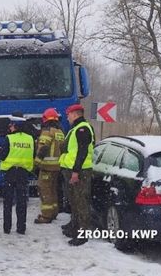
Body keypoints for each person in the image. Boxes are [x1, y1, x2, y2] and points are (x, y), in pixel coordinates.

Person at [59, 103, 95, 246]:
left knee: (81, 202)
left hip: (80, 171)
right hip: (74, 169)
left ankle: (83, 233)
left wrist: (75, 172)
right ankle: (75, 226)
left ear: (74, 114)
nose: (67, 118)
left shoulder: (82, 129)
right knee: (74, 200)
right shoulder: (76, 129)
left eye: (68, 115)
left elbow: (82, 151)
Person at [0, 114, 35, 235]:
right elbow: (33, 155)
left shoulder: (9, 138)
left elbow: (2, 155)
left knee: (8, 202)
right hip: (23, 173)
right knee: (22, 202)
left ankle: (7, 228)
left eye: (11, 125)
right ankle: (21, 228)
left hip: (10, 173)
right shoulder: (30, 139)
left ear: (16, 126)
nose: (10, 127)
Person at [34, 108, 65, 224]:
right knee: (53, 190)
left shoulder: (47, 131)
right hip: (57, 167)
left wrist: (36, 163)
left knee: (45, 190)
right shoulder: (60, 132)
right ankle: (54, 212)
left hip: (46, 167)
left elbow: (43, 148)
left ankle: (46, 216)